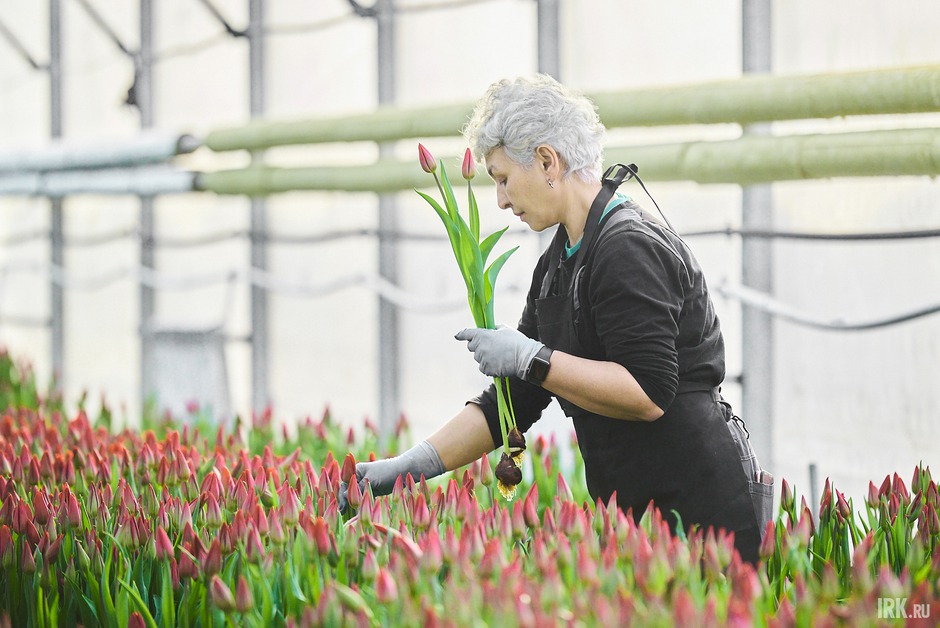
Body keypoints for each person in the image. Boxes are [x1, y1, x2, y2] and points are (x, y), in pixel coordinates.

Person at [342, 74, 772, 565]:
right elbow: (515, 400)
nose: (500, 200)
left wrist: (534, 357)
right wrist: (411, 467)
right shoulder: (560, 260)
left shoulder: (626, 246)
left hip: (703, 516)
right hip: (637, 518)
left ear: (547, 161)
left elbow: (649, 392)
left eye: (503, 178)